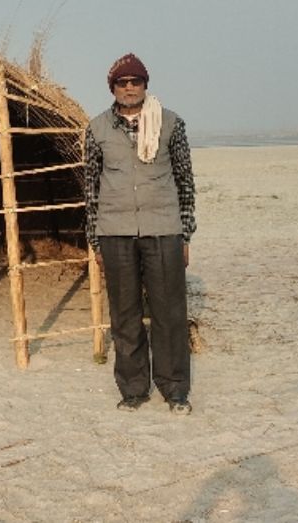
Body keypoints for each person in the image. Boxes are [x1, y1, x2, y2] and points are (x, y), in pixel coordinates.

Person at [85, 53, 196, 415]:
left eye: (136, 81)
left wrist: (186, 234)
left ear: (146, 85)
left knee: (169, 312)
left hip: (163, 228)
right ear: (113, 88)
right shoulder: (98, 128)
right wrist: (95, 239)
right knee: (125, 313)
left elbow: (185, 181)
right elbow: (90, 187)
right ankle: (134, 389)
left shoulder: (170, 124)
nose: (129, 87)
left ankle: (175, 389)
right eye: (122, 82)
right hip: (115, 231)